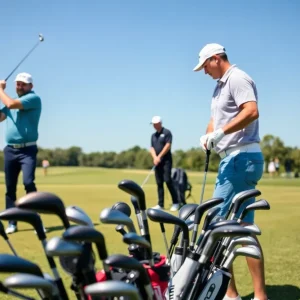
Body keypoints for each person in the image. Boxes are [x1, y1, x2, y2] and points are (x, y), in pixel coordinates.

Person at [194, 44, 269, 300]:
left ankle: (231, 296)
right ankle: (257, 297)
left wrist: (221, 133)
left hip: (240, 158)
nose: (204, 71)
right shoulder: (219, 87)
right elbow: (217, 121)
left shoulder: (237, 78)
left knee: (217, 227)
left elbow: (251, 111)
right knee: (243, 229)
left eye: (205, 65)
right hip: (234, 160)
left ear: (216, 59)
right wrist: (208, 135)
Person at [0, 72, 42, 234]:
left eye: (23, 84)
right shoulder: (10, 103)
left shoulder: (33, 99)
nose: (20, 86)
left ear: (30, 86)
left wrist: (0, 90)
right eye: (18, 83)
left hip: (27, 150)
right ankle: (12, 222)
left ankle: (35, 219)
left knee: (28, 182)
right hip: (10, 150)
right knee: (10, 188)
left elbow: (10, 104)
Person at [150, 116, 180, 211]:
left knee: (167, 181)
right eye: (153, 124)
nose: (154, 126)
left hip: (166, 161)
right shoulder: (153, 136)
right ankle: (160, 204)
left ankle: (176, 203)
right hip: (157, 162)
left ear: (160, 123)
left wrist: (159, 157)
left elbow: (168, 145)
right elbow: (151, 148)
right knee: (159, 183)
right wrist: (155, 157)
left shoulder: (167, 132)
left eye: (156, 124)